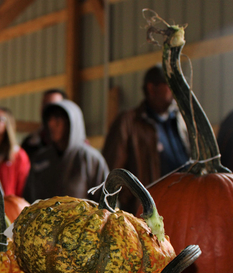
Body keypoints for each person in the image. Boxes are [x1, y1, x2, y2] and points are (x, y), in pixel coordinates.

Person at [102, 64, 190, 214]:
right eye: (168, 85)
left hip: (183, 204)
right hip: (148, 210)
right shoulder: (129, 122)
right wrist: (127, 198)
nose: (174, 91)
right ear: (151, 88)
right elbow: (110, 169)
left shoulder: (180, 121)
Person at [23, 99, 109, 203]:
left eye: (58, 118)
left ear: (72, 123)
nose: (51, 123)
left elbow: (107, 202)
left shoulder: (90, 159)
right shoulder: (40, 158)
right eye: (49, 119)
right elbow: (27, 199)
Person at [21, 88, 67, 159]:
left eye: (54, 105)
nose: (48, 109)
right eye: (45, 104)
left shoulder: (77, 148)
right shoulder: (29, 143)